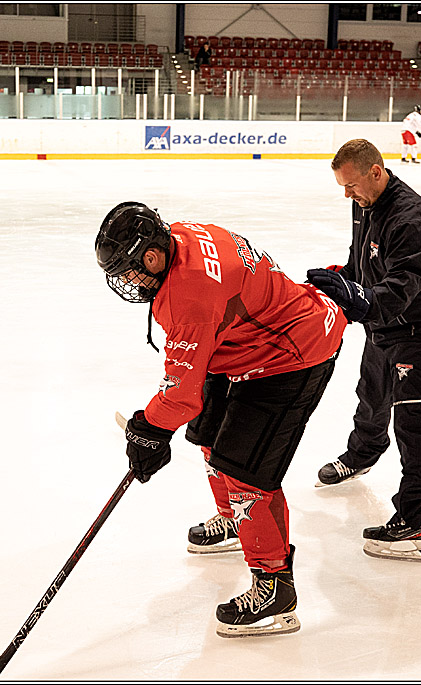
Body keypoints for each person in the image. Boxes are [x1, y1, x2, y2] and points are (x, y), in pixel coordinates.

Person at [96, 202, 345, 638]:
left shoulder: (189, 296)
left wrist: (149, 431)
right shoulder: (178, 237)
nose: (127, 281)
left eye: (129, 270)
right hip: (243, 340)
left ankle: (275, 589)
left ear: (151, 257)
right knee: (209, 434)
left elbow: (179, 397)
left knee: (246, 471)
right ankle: (234, 519)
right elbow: (191, 390)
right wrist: (154, 428)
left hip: (292, 352)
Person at [307, 138, 421, 564]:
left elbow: (399, 290)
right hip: (385, 325)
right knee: (372, 393)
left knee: (411, 421)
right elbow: (363, 260)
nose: (346, 195)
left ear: (377, 171)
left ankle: (418, 521)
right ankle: (362, 453)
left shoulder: (410, 219)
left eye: (351, 185)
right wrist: (342, 280)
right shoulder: (364, 202)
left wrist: (357, 301)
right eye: (342, 187)